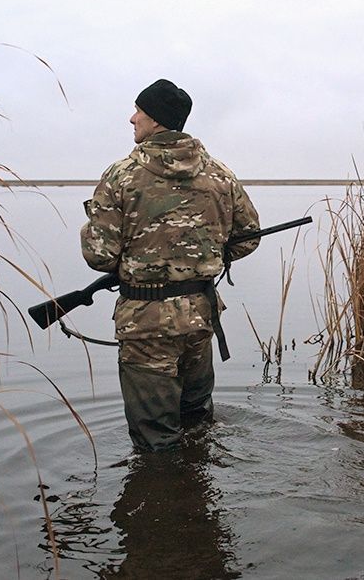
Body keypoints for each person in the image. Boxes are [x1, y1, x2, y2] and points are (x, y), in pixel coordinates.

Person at [80, 79, 260, 452]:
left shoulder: (120, 175)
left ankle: (162, 501)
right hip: (200, 318)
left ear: (157, 120)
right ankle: (198, 499)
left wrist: (97, 229)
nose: (132, 119)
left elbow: (100, 256)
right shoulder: (220, 174)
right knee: (197, 422)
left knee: (155, 441)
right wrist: (204, 259)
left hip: (146, 324)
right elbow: (248, 236)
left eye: (139, 112)